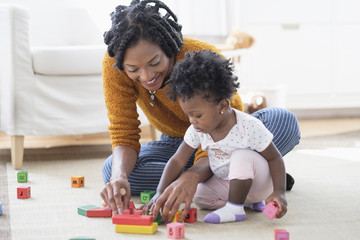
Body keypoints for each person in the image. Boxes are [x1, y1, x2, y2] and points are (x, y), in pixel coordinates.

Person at [100, 0, 300, 218]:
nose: (146, 76)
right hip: (180, 142)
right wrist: (119, 177)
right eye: (133, 69)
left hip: (231, 141)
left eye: (154, 62)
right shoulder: (115, 64)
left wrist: (194, 174)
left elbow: (227, 121)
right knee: (112, 170)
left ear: (168, 47)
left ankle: (240, 174)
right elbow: (124, 132)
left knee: (283, 121)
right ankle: (245, 177)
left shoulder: (201, 55)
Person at [145, 50, 286, 224]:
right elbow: (177, 161)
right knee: (198, 195)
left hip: (259, 184)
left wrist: (279, 191)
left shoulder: (248, 126)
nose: (192, 121)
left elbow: (275, 158)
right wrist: (160, 191)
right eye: (188, 115)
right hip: (229, 184)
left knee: (241, 155)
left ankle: (235, 209)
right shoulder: (197, 130)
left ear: (222, 105)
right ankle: (242, 203)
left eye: (197, 115)